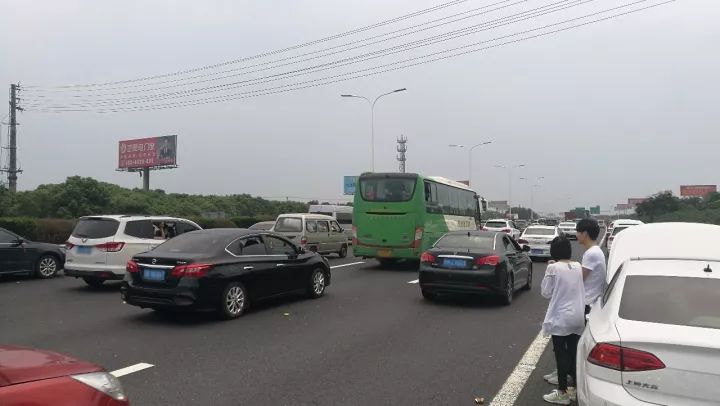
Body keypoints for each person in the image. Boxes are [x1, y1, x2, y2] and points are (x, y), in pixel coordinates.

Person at [541, 236, 585, 405]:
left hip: (561, 318)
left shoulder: (553, 268)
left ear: (553, 251)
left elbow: (546, 292)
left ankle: (562, 392)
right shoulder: (577, 266)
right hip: (577, 316)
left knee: (561, 355)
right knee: (573, 353)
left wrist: (549, 270)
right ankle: (573, 389)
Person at [575, 218, 607, 315]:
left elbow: (579, 279)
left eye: (578, 232)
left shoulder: (591, 254)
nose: (576, 235)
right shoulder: (596, 251)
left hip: (587, 303)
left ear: (585, 234)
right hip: (592, 301)